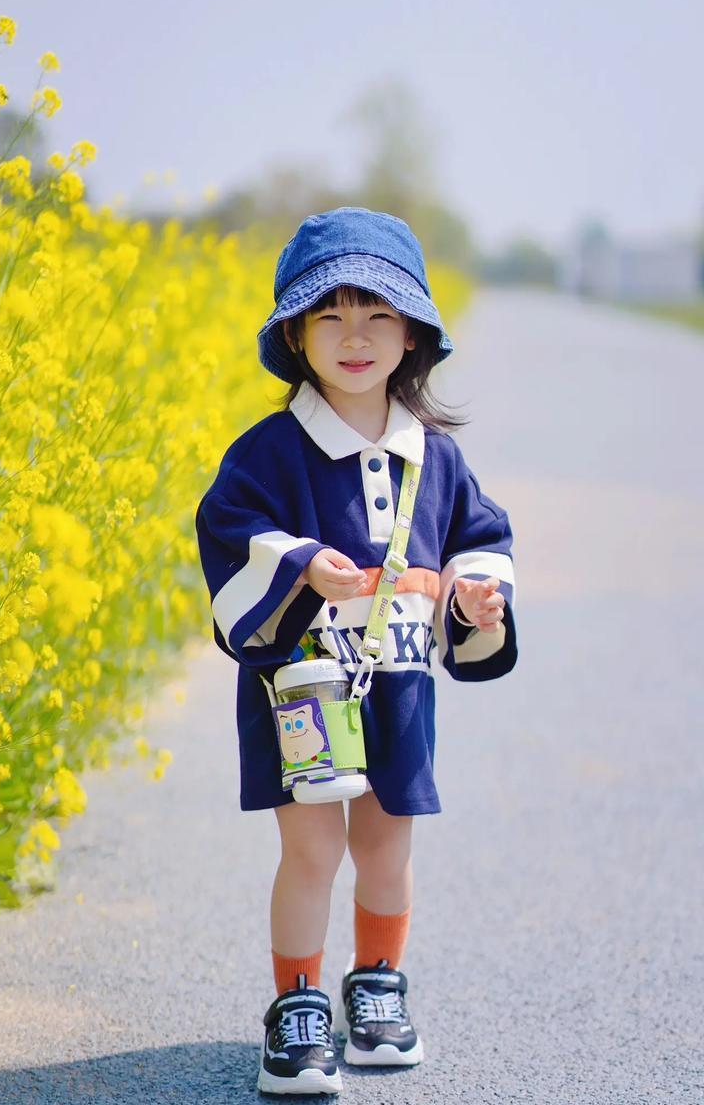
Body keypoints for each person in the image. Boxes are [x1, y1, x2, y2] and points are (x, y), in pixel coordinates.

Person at [195, 207, 518, 1096]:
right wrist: (298, 565)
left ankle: (375, 988)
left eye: (377, 314)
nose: (355, 336)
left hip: (400, 684)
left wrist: (478, 596)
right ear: (294, 335)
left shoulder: (437, 458)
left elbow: (480, 540)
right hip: (302, 690)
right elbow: (229, 532)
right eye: (329, 315)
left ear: (412, 332)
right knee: (311, 853)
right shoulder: (266, 453)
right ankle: (298, 1006)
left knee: (385, 847)